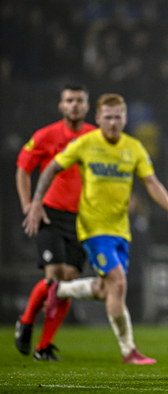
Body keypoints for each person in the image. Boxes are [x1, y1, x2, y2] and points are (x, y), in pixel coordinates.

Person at [22, 93, 168, 364]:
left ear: (125, 118)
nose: (112, 123)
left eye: (117, 117)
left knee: (105, 289)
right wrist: (37, 201)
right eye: (107, 118)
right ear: (97, 119)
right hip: (92, 229)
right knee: (118, 282)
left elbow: (151, 182)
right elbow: (51, 167)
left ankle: (60, 290)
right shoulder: (85, 143)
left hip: (120, 230)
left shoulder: (133, 147)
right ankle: (128, 350)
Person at [15, 84, 96, 361]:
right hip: (50, 213)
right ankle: (26, 322)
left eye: (79, 101)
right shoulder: (45, 135)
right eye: (69, 100)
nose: (74, 105)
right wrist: (29, 206)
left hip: (82, 219)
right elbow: (23, 170)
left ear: (87, 106)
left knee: (68, 282)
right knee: (53, 278)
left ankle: (43, 346)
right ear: (61, 106)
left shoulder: (94, 137)